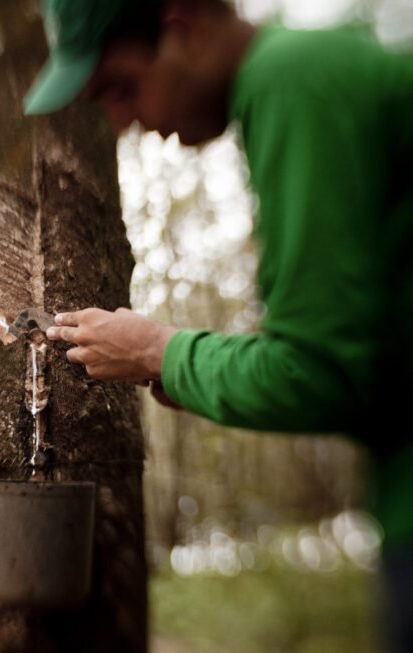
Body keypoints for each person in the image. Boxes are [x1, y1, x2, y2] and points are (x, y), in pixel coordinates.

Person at [24, 0, 413, 649]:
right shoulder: (306, 77)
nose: (122, 121)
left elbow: (322, 373)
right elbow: (368, 357)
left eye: (122, 87)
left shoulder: (294, 81)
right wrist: (180, 360)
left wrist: (159, 351)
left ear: (183, 25)